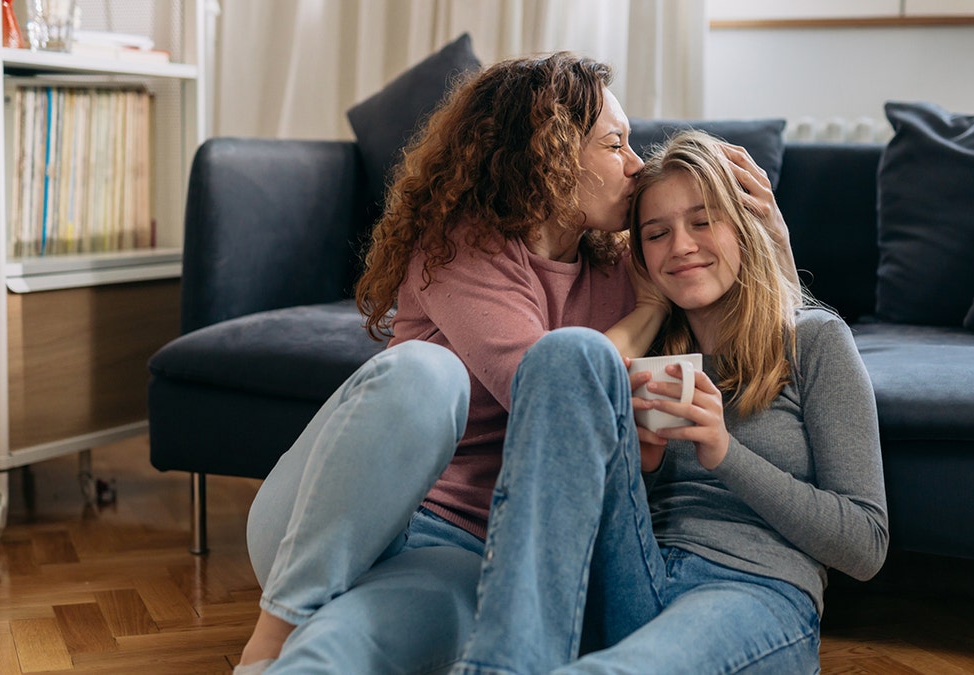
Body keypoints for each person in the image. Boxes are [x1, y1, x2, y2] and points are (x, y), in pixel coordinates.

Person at [236, 51, 688, 674]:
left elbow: (743, 291)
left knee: (341, 650)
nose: (636, 166)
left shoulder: (621, 265)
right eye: (615, 145)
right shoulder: (460, 245)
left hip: (458, 547)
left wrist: (766, 224)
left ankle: (301, 645)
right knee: (428, 372)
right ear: (549, 155)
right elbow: (549, 387)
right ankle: (274, 629)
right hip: (325, 521)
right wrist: (646, 315)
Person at [451, 130, 890, 674]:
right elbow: (569, 406)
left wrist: (725, 453)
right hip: (635, 576)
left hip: (751, 589)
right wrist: (644, 463)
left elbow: (866, 547)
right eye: (657, 234)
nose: (681, 246)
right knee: (568, 355)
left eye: (703, 222)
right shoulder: (653, 354)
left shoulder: (815, 340)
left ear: (744, 226)